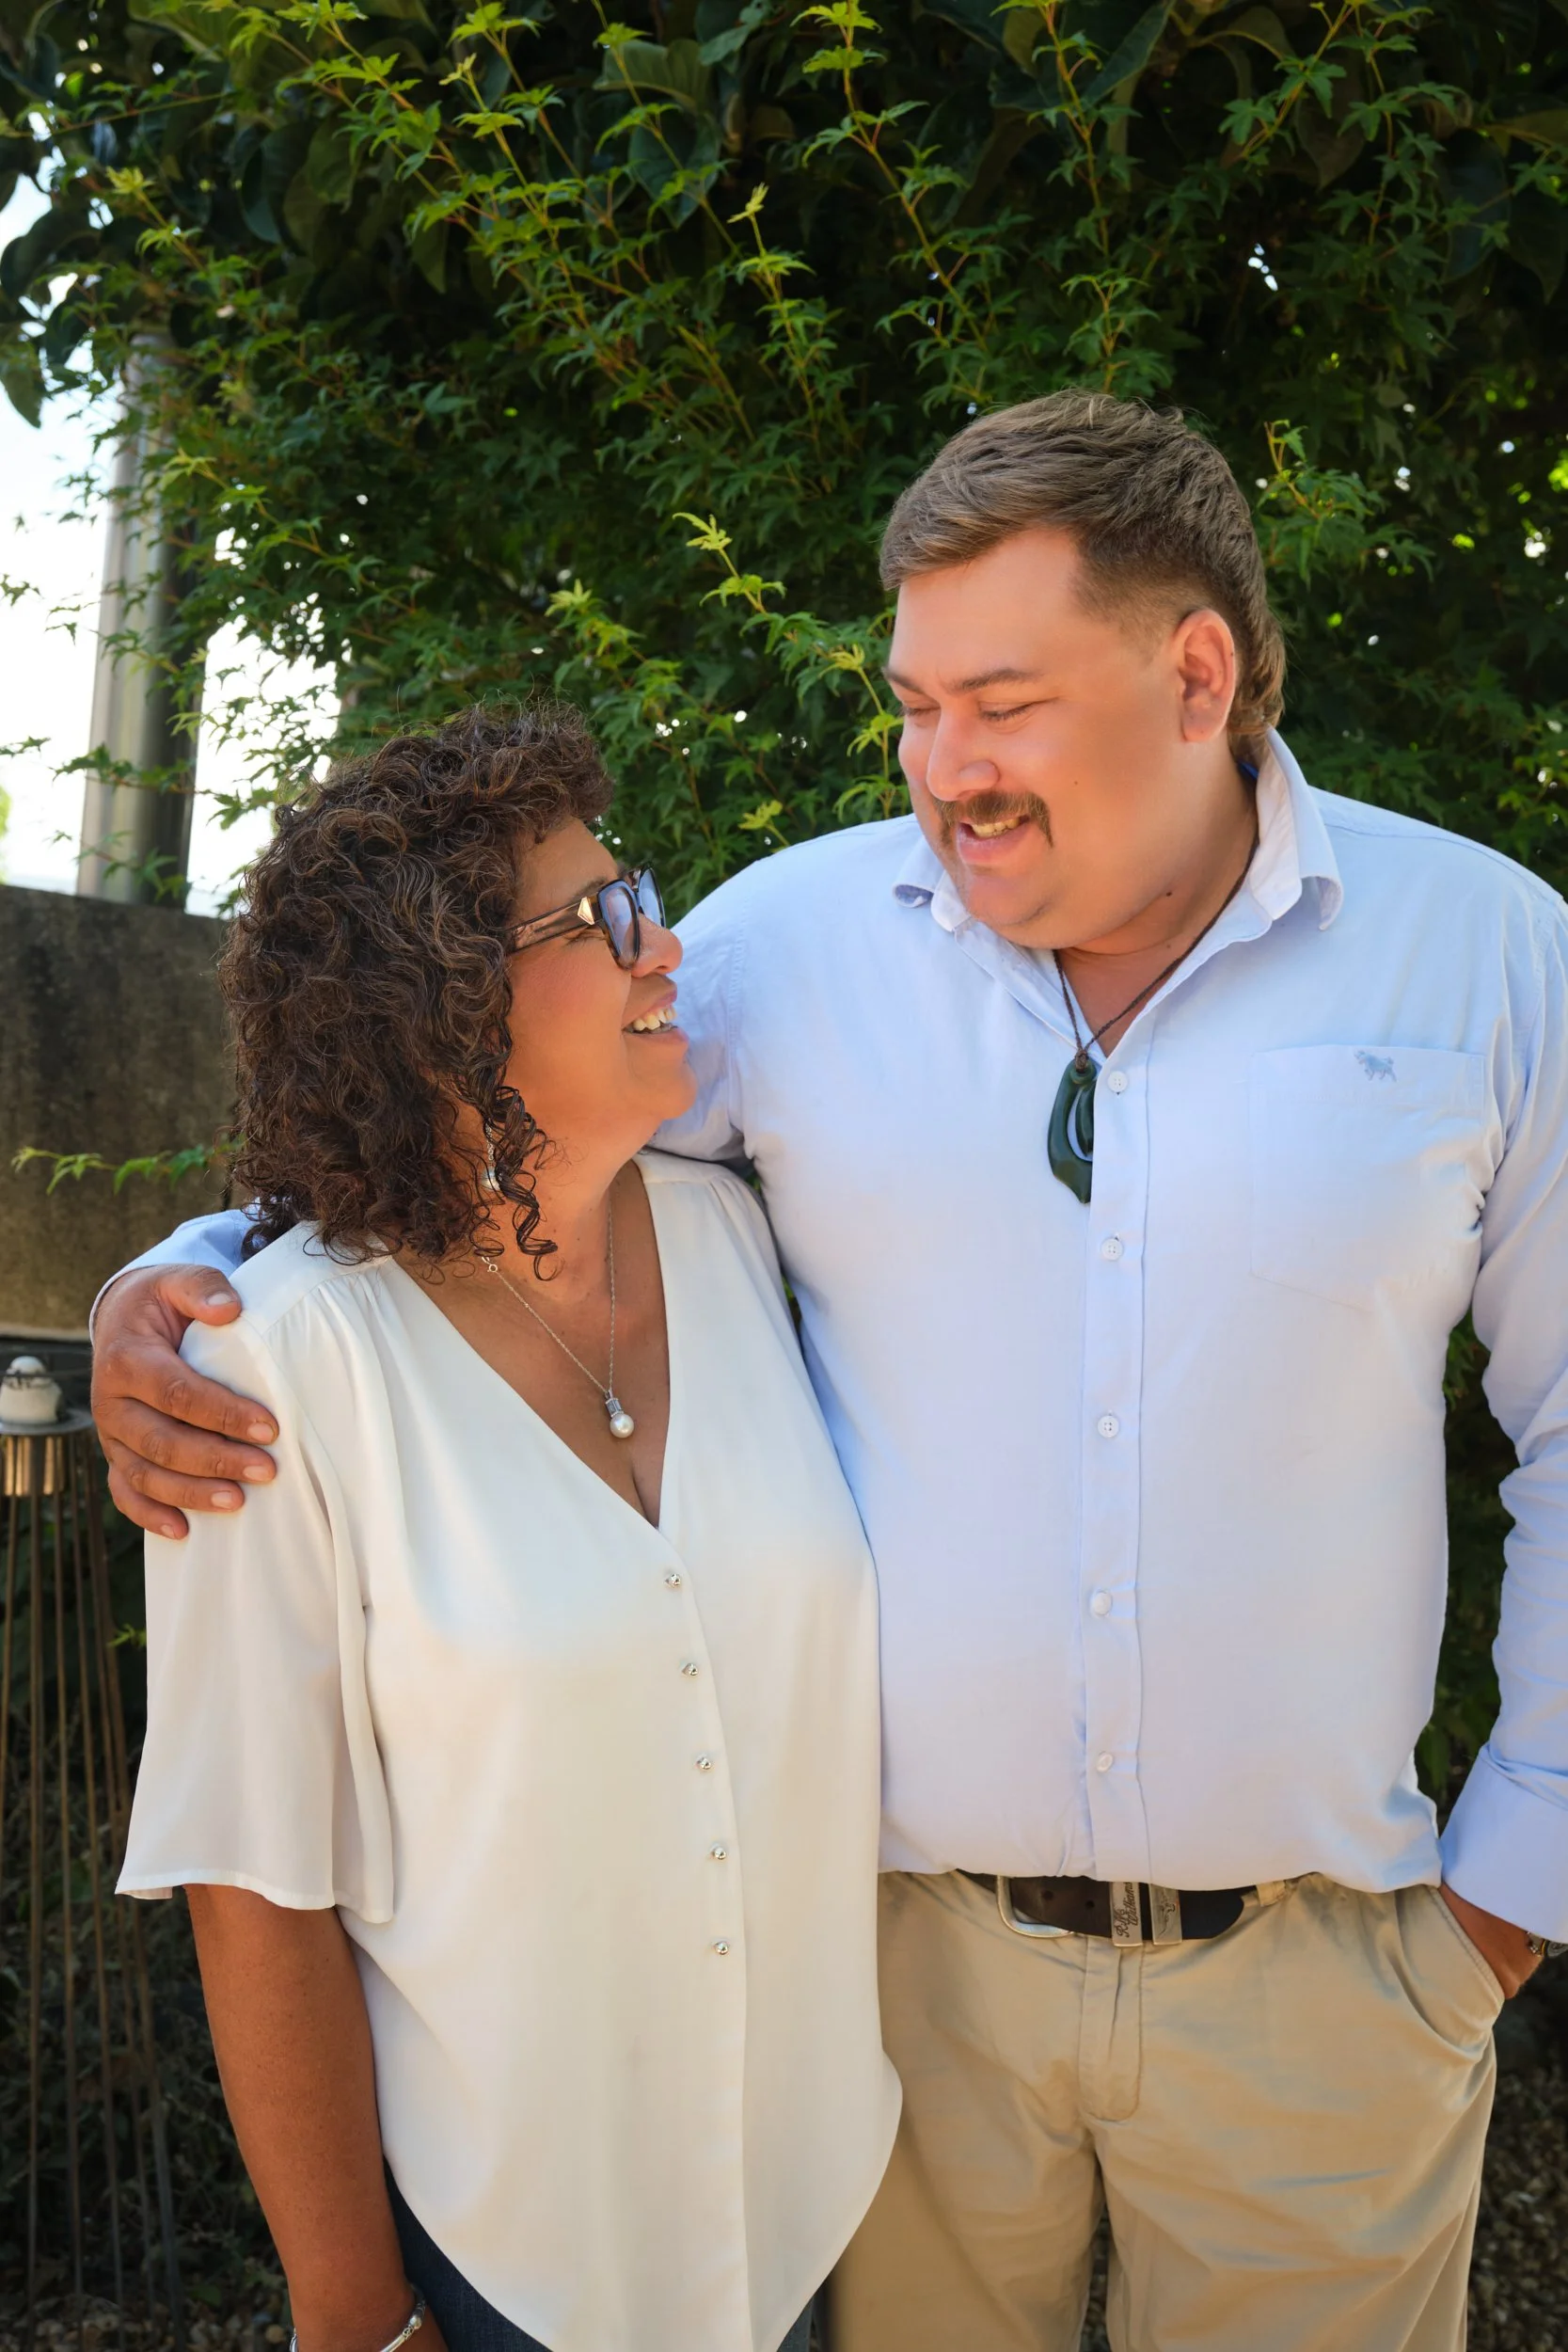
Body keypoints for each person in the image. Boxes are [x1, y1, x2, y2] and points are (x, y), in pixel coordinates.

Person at [97, 394, 1568, 2352]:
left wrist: (1492, 1914)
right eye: (914, 705)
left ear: (1195, 673)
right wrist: (185, 1276)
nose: (943, 769)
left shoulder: (1484, 960)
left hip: (1327, 1995)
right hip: (890, 2012)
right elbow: (459, 1136)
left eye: (1002, 704)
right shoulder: (786, 950)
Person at [114, 705, 898, 2352]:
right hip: (506, 2268)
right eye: (602, 916)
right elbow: (254, 1888)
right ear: (441, 1002)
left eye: (641, 896)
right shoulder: (279, 1369)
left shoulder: (749, 1243)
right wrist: (357, 2319)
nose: (661, 947)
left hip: (816, 2219)